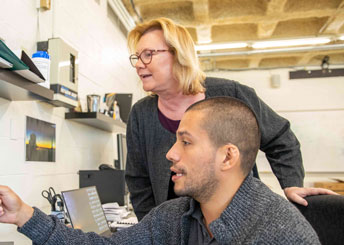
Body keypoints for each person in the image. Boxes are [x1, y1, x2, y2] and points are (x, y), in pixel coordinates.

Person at [0, 97, 332, 245]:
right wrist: (25, 215)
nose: (170, 154)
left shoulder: (285, 241)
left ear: (227, 156)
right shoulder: (174, 218)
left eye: (186, 142)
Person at [125, 17, 336, 220]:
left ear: (178, 54)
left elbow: (280, 138)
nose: (139, 64)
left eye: (148, 54)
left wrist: (291, 183)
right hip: (176, 230)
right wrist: (151, 229)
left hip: (240, 220)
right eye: (137, 57)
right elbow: (138, 180)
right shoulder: (141, 114)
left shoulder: (231, 94)